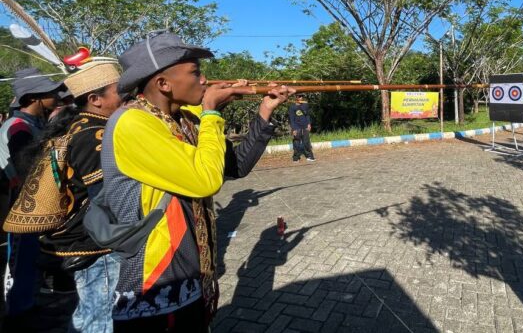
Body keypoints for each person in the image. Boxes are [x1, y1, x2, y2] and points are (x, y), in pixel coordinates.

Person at [100, 31, 292, 331]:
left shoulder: (180, 119)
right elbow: (205, 181)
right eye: (195, 73)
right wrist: (212, 112)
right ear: (163, 84)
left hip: (188, 276)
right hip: (156, 284)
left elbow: (234, 167)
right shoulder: (132, 123)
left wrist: (265, 110)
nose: (204, 80)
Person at [29, 60, 124, 332]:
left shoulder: (77, 126)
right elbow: (106, 198)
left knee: (88, 315)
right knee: (101, 320)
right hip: (95, 246)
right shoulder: (95, 133)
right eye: (121, 91)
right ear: (95, 99)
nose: (128, 97)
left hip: (79, 239)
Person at [0, 68, 65, 325]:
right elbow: (27, 167)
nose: (55, 97)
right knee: (21, 258)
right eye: (49, 93)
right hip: (23, 203)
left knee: (29, 257)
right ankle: (17, 312)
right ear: (34, 98)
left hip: (31, 201)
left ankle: (26, 304)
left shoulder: (28, 125)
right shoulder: (19, 128)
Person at [289, 94, 315, 162]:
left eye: (302, 96)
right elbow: (291, 119)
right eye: (299, 96)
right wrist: (294, 129)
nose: (301, 98)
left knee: (306, 142)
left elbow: (307, 115)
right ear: (296, 97)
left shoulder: (305, 105)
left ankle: (310, 156)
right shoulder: (292, 107)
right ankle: (296, 157)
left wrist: (309, 124)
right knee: (296, 143)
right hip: (297, 127)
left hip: (305, 126)